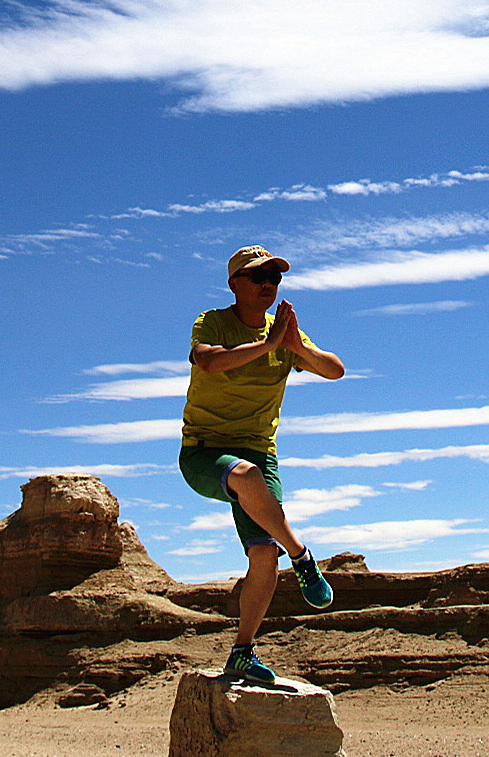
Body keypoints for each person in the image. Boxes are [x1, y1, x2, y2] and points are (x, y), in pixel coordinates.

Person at [179, 245, 346, 684]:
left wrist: (295, 348)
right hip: (204, 450)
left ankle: (242, 652)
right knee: (246, 477)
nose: (267, 285)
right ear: (234, 283)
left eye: (274, 278)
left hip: (259, 451)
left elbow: (336, 370)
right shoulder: (213, 321)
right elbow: (211, 362)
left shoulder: (283, 331)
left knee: (263, 555)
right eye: (257, 277)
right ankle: (303, 556)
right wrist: (267, 345)